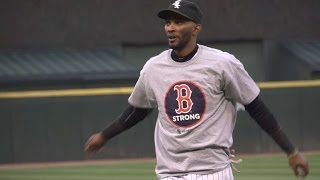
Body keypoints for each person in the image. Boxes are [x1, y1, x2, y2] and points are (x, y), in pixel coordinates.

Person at [85, 0, 309, 179]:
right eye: (168, 22)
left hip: (213, 172)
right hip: (169, 172)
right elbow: (138, 110)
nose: (171, 27)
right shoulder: (153, 68)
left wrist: (291, 151)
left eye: (179, 22)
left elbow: (257, 109)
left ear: (196, 28)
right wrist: (105, 135)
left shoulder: (222, 64)